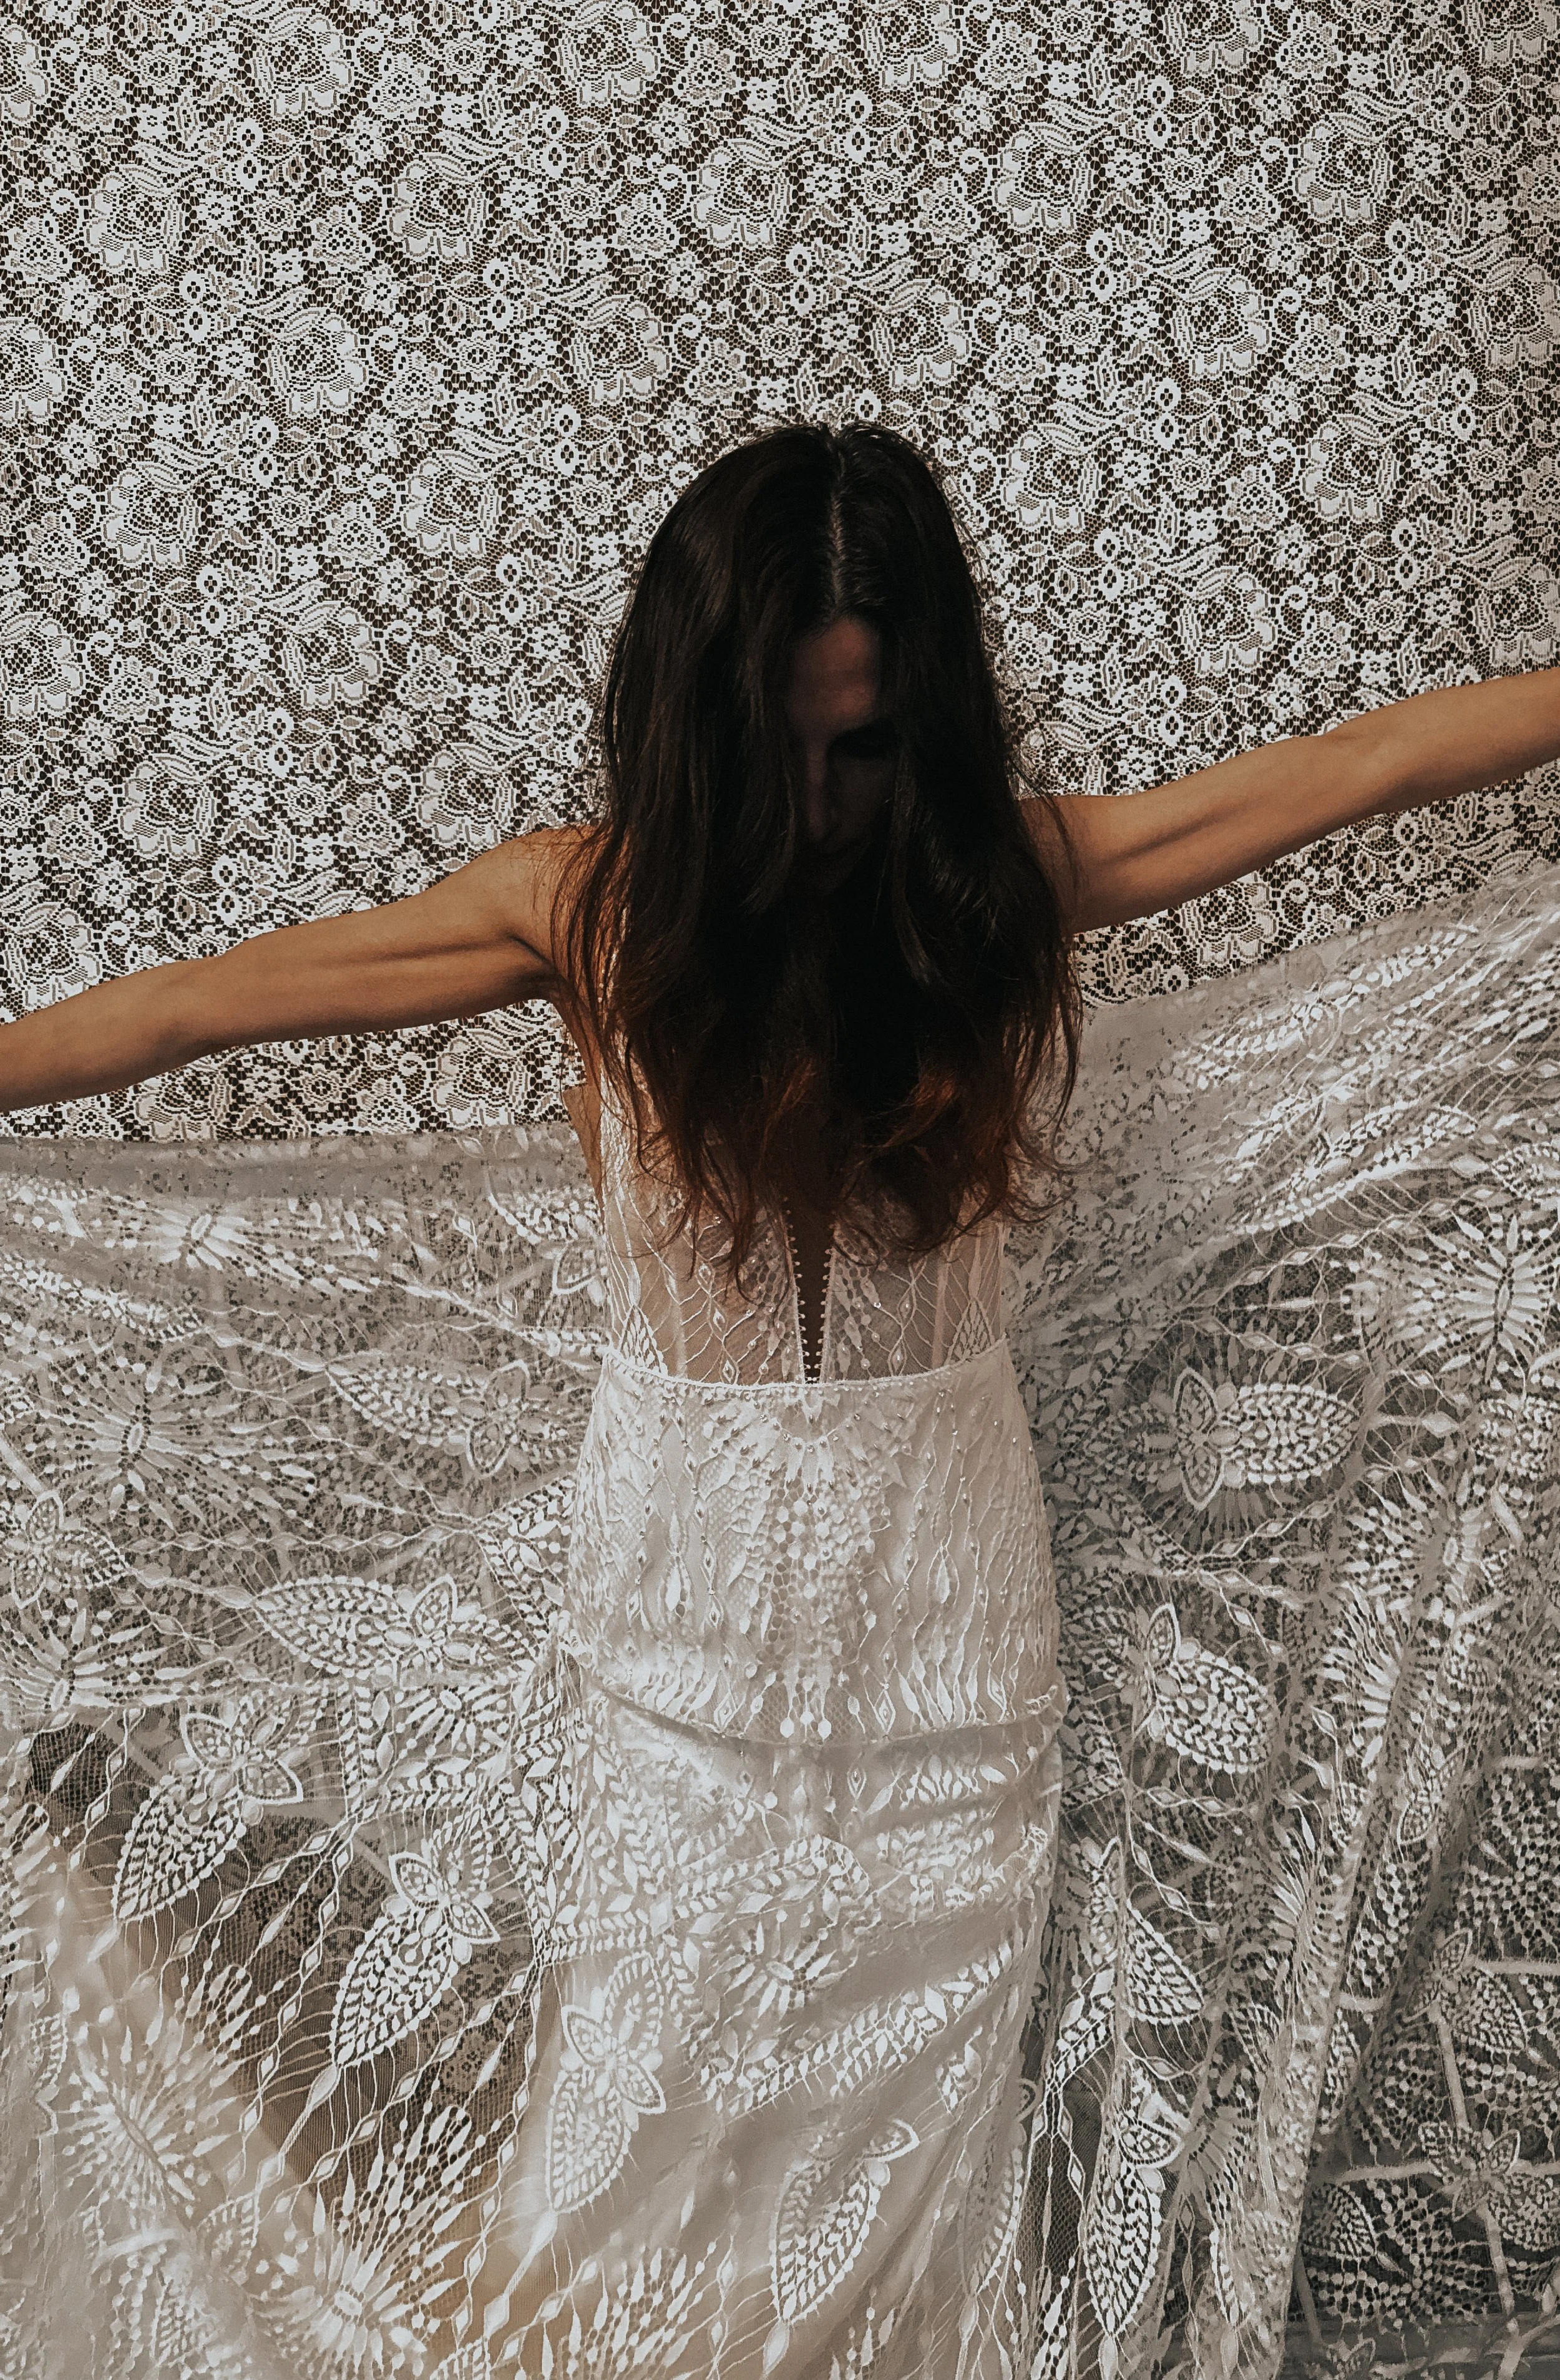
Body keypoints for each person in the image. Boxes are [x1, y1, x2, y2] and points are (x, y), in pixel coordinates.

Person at [2, 420, 1558, 2377]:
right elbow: (180, 1011)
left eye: (869, 746)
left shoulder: (1004, 883)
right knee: (637, 2151)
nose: (823, 804)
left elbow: (1363, 765)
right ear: (698, 715)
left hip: (949, 1661)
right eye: (785, 748)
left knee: (911, 2176)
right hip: (674, 1655)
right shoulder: (578, 911)